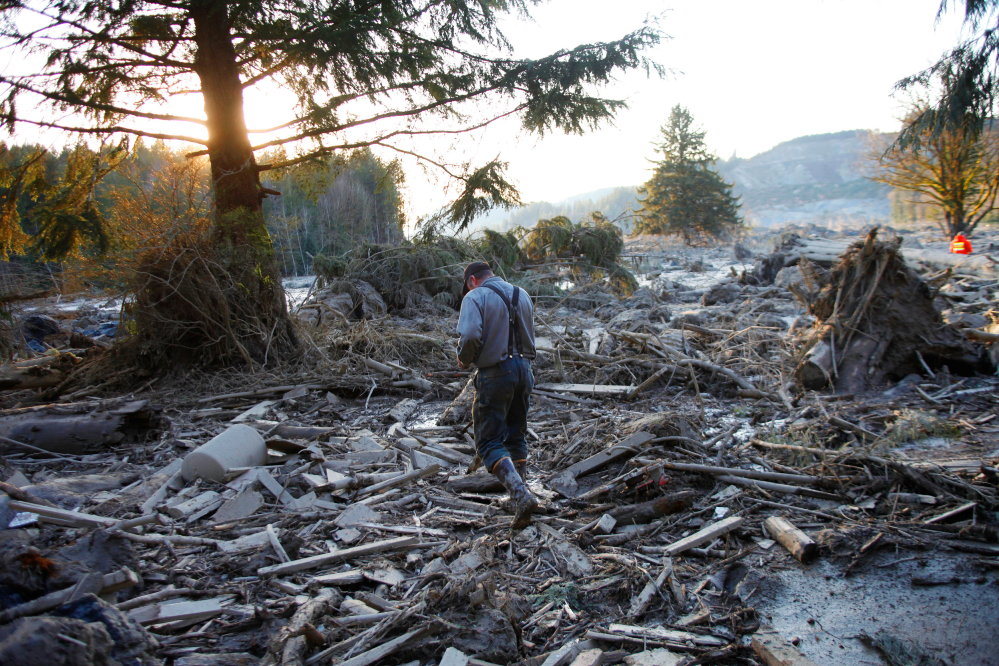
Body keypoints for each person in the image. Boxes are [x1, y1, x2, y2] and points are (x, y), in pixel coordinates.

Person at [456, 261, 539, 529]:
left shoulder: (475, 296)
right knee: (516, 435)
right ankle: (521, 493)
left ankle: (520, 494)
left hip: (496, 374)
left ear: (472, 280)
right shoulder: (522, 294)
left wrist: (464, 359)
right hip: (525, 371)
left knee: (489, 443)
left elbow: (469, 335)